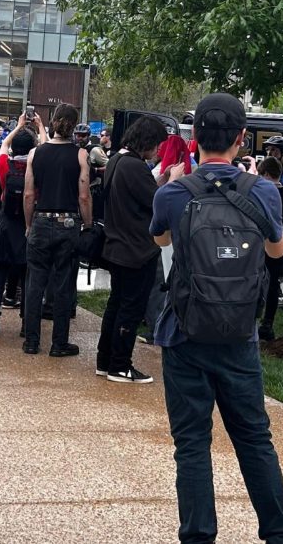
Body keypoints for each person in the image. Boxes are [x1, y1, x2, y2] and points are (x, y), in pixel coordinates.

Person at [149, 93, 283, 542]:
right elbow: (277, 252)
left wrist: (176, 181)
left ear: (195, 139)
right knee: (254, 439)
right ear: (241, 138)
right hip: (239, 335)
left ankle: (198, 536)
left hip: (185, 332)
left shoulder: (174, 193)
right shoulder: (265, 192)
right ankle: (279, 534)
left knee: (192, 445)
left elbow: (161, 242)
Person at [96, 116, 174, 384]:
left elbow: (142, 195)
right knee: (130, 308)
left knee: (116, 305)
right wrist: (172, 182)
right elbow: (157, 203)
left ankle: (105, 360)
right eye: (157, 145)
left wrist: (160, 179)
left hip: (117, 244)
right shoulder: (135, 167)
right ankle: (120, 365)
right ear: (148, 142)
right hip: (136, 248)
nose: (158, 151)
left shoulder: (118, 159)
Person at [22, 104, 92, 357]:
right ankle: (59, 342)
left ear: (52, 122)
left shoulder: (35, 153)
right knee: (63, 285)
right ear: (74, 126)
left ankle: (31, 340)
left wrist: (29, 224)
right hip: (68, 222)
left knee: (35, 284)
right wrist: (88, 224)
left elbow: (29, 193)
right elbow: (84, 196)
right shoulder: (80, 155)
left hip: (41, 219)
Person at [0, 120, 39, 336]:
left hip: (5, 224)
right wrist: (39, 128)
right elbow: (44, 147)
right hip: (27, 224)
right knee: (27, 276)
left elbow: (4, 144)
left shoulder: (6, 165)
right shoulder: (37, 166)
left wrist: (18, 126)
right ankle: (26, 323)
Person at [257, 156, 283, 342]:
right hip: (280, 240)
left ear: (266, 173)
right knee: (273, 283)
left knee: (255, 280)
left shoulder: (263, 192)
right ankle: (267, 324)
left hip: (261, 240)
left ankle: (254, 318)